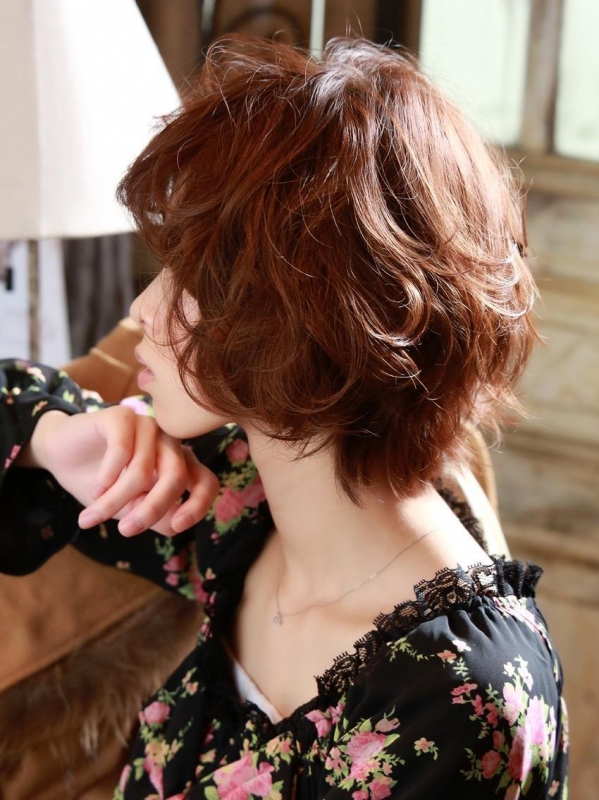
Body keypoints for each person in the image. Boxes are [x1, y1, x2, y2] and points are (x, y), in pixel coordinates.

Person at [0, 35, 568, 800]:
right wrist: (53, 437)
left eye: (191, 278)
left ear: (308, 315)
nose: (143, 309)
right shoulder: (234, 498)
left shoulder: (457, 696)